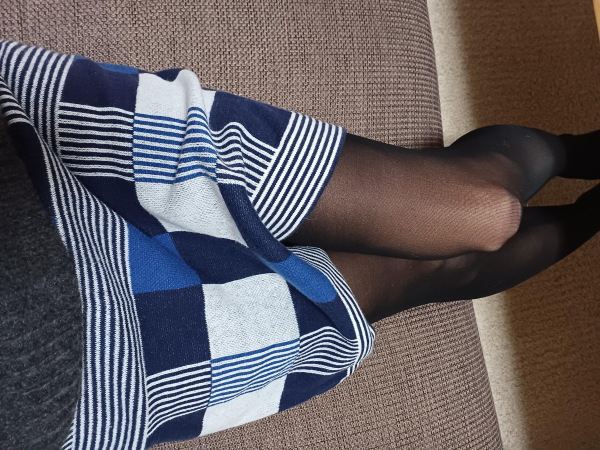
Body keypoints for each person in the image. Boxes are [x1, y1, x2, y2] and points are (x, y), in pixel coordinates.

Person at [1, 38, 599, 450]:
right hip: (107, 359)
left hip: (48, 179)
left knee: (482, 212)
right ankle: (590, 215)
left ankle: (572, 151)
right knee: (445, 258)